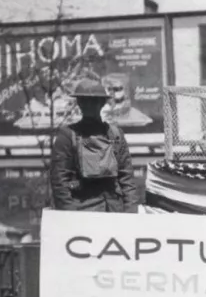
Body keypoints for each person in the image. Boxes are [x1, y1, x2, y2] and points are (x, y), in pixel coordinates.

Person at [49, 78, 139, 213]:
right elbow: (59, 181)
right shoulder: (68, 135)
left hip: (113, 211)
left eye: (95, 101)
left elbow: (127, 179)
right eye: (85, 101)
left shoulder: (115, 134)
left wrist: (130, 213)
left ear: (102, 103)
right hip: (82, 212)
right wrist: (68, 215)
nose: (90, 105)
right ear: (79, 103)